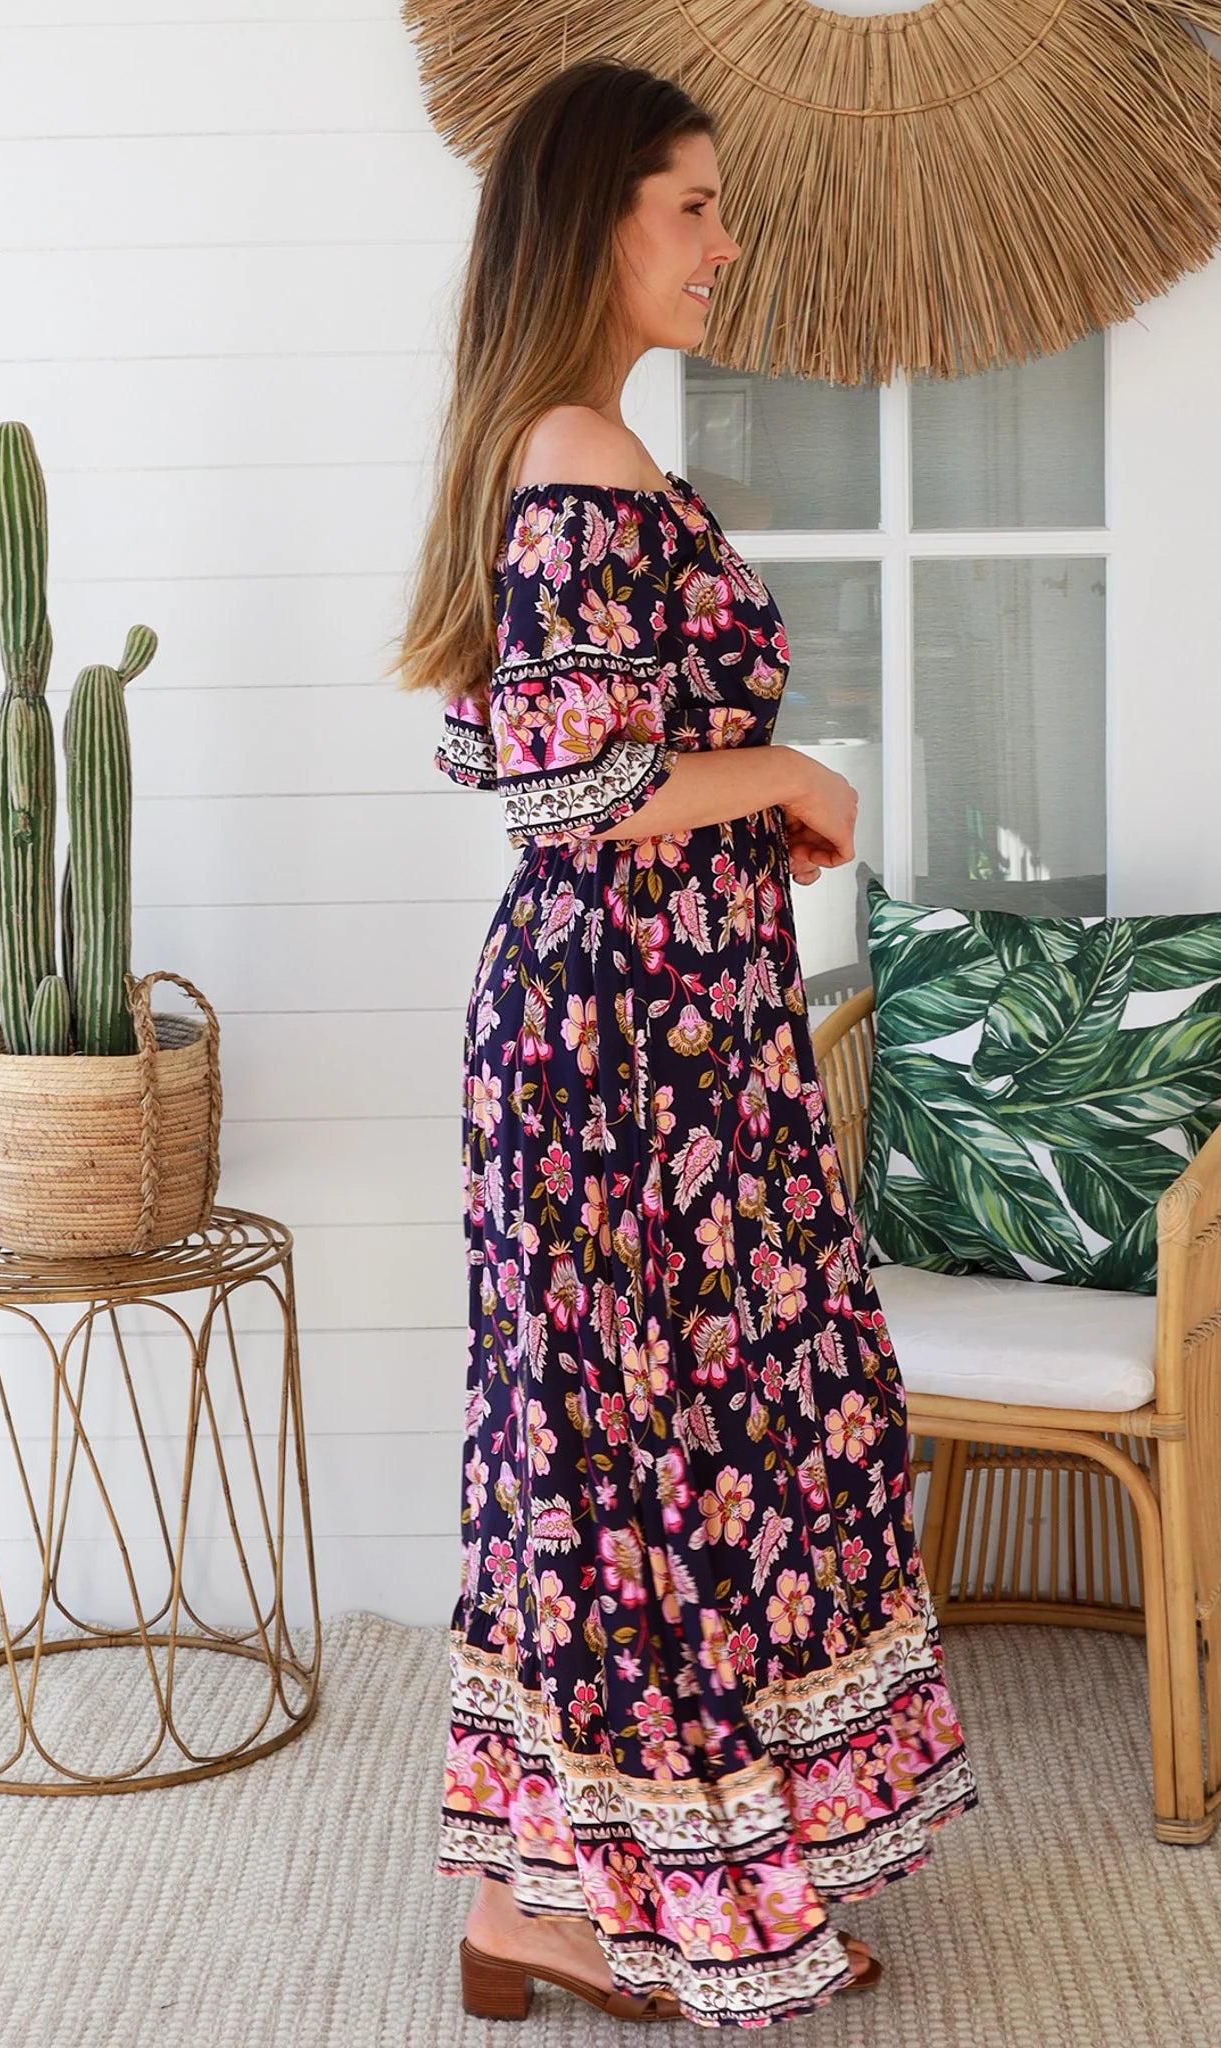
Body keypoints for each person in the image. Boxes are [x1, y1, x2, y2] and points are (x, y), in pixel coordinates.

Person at [393, 57, 980, 2029]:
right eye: (691, 204)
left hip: (653, 1050)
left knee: (654, 1461)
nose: (724, 243)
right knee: (658, 1465)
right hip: (618, 1071)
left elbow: (516, 741)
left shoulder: (566, 450)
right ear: (595, 221)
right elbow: (565, 782)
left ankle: (559, 1897)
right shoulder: (572, 451)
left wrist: (732, 797)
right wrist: (784, 768)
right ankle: (598, 1908)